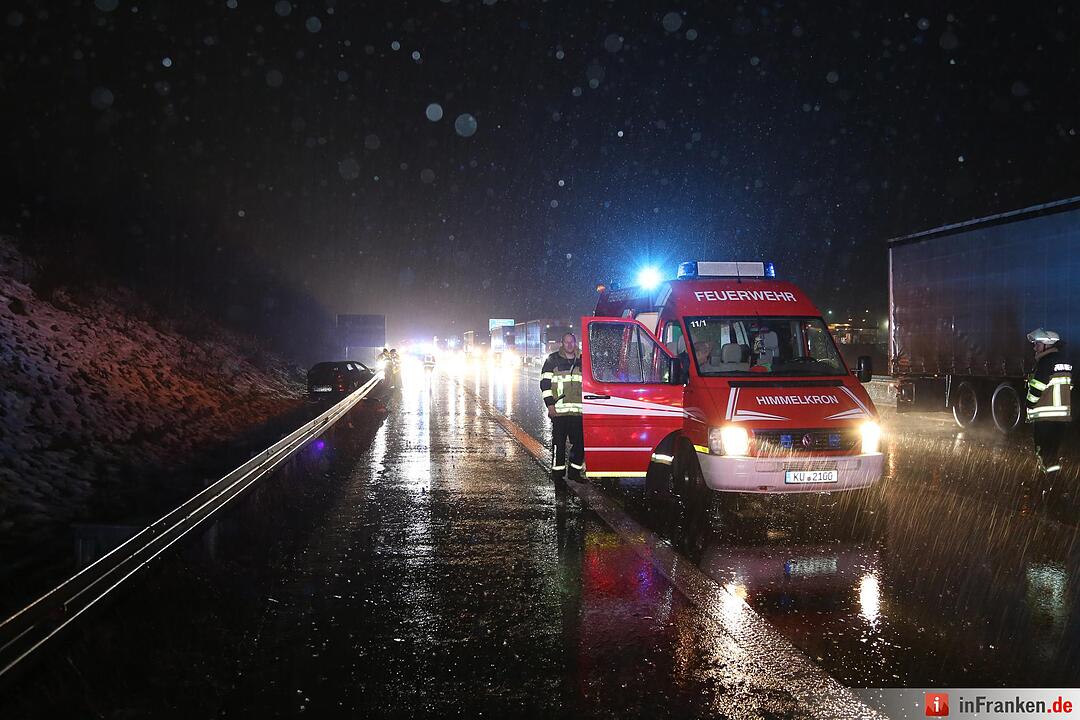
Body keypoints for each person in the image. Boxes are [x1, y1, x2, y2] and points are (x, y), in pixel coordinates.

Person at [1025, 328, 1073, 474]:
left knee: (1044, 453)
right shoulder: (1064, 361)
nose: (1035, 347)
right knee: (1052, 453)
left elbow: (1037, 388)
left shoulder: (1045, 362)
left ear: (1047, 345)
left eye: (1037, 344)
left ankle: (1051, 484)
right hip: (1061, 419)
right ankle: (1057, 485)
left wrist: (1029, 404)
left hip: (1045, 419)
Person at [540, 333, 585, 490]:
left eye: (572, 342)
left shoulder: (583, 359)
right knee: (559, 444)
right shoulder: (552, 360)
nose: (569, 345)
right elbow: (545, 385)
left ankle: (574, 472)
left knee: (579, 444)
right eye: (566, 342)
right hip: (559, 412)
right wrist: (550, 406)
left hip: (579, 412)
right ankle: (558, 475)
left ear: (575, 342)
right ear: (562, 343)